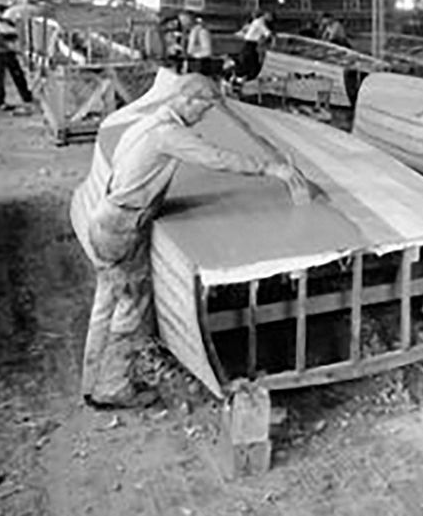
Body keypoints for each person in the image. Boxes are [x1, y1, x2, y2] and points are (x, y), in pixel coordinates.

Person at [74, 74, 310, 408]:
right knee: (131, 308)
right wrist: (272, 169)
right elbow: (216, 158)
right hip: (123, 228)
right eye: (204, 108)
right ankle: (113, 387)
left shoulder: (144, 123)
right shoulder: (167, 134)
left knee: (106, 302)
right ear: (187, 100)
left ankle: (92, 381)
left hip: (106, 220)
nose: (204, 116)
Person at [236, 11, 274, 79]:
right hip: (251, 44)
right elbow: (266, 32)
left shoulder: (257, 21)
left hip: (250, 44)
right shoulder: (260, 22)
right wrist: (270, 36)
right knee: (252, 62)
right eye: (271, 17)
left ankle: (246, 76)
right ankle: (247, 77)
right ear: (267, 15)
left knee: (251, 61)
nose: (271, 19)